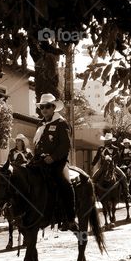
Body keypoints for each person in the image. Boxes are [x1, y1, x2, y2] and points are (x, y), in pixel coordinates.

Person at [31, 93, 78, 232]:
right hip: (41, 161)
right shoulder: (41, 124)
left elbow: (65, 146)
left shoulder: (61, 123)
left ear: (53, 108)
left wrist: (53, 157)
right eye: (42, 107)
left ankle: (70, 218)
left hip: (58, 162)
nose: (44, 109)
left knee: (64, 183)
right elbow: (38, 145)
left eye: (47, 107)